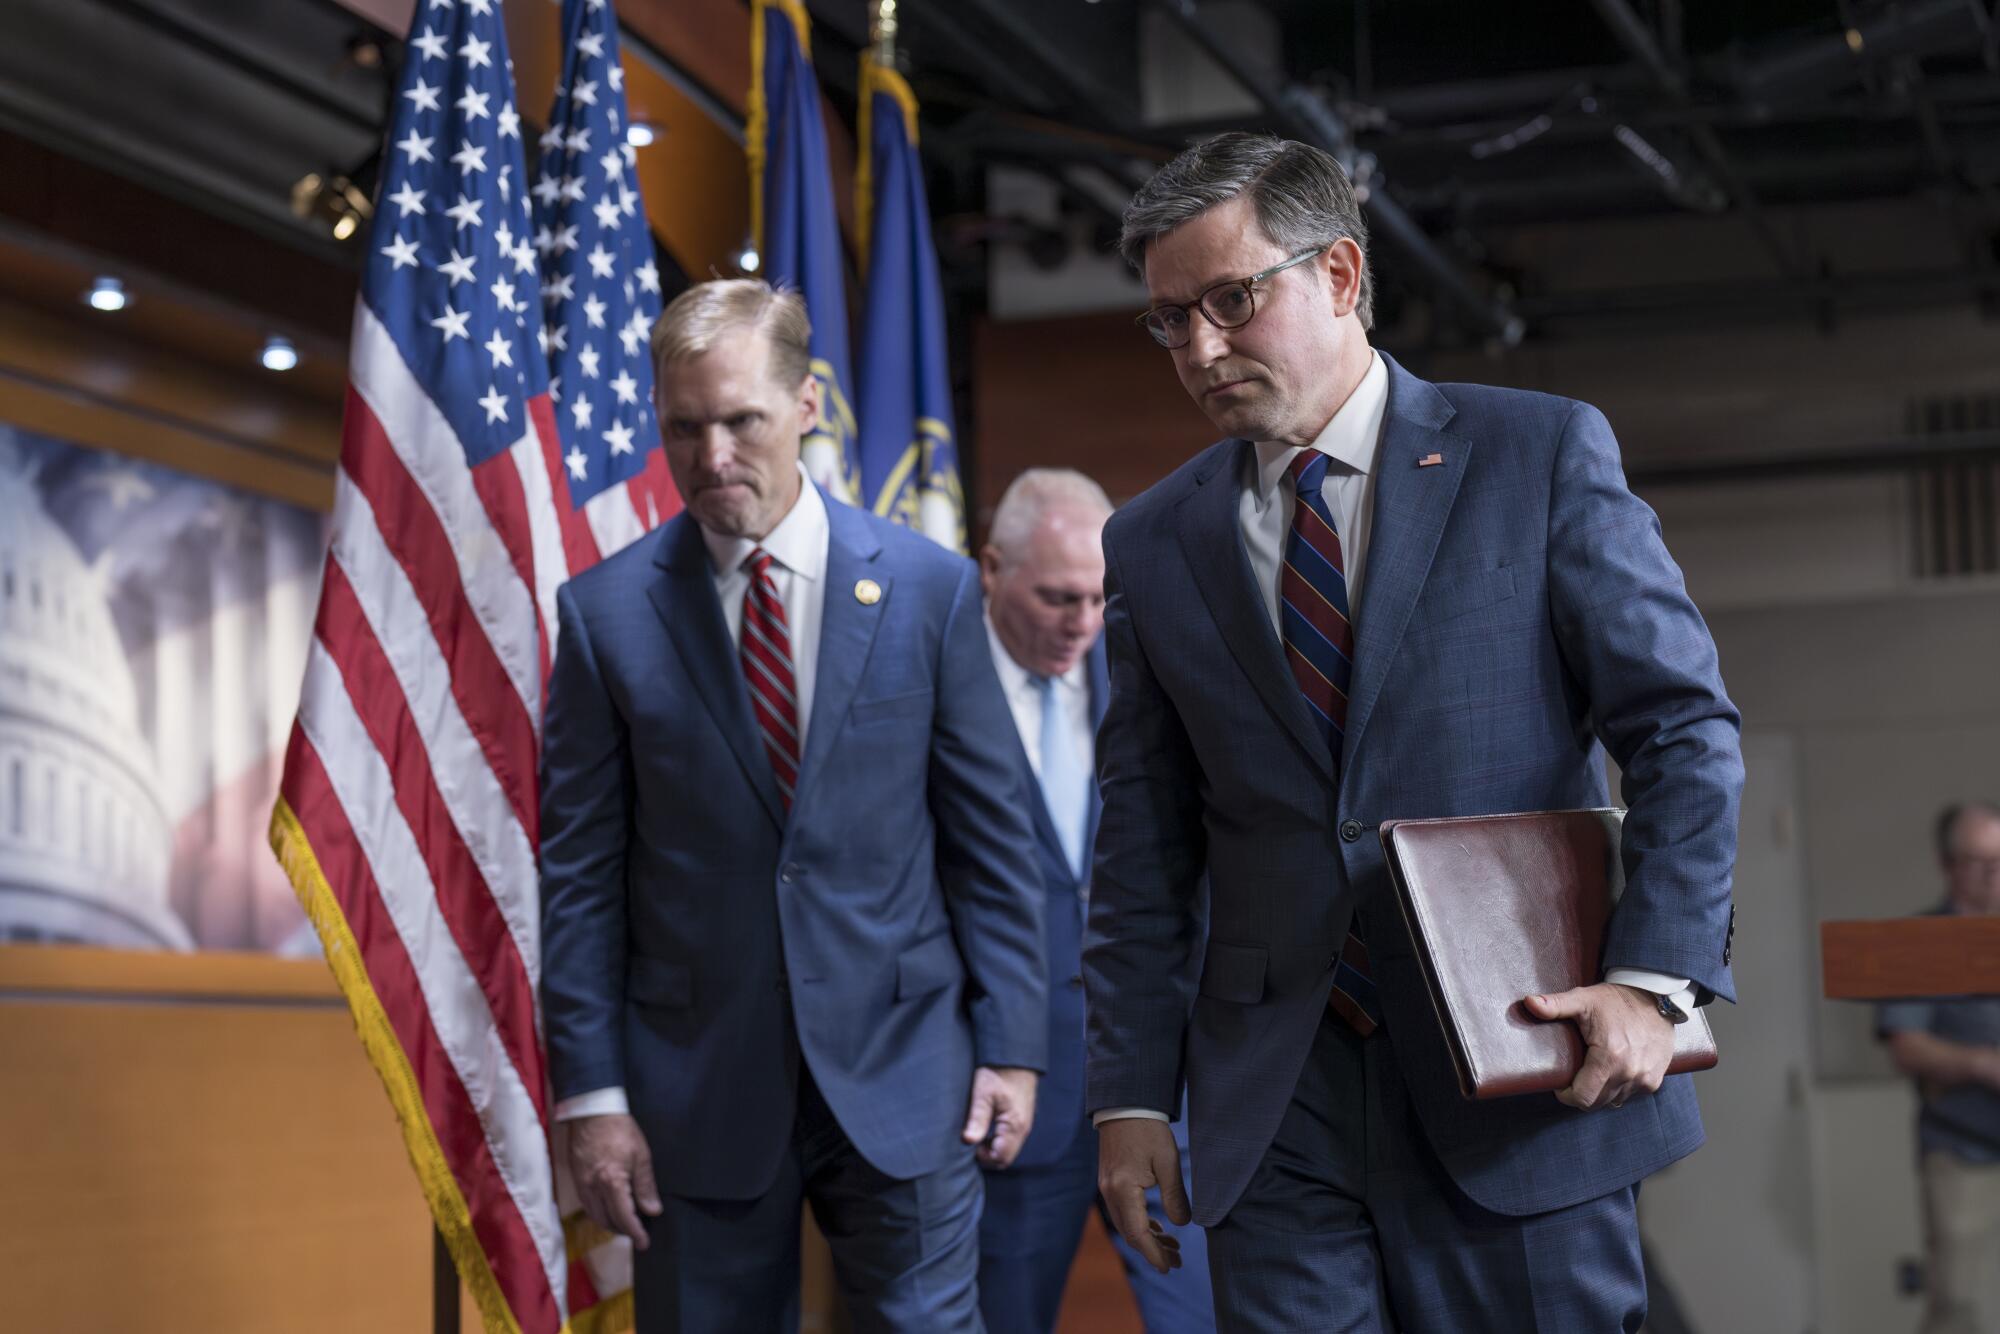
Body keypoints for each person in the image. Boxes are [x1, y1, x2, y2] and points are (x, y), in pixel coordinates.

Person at [1084, 132, 1745, 1331]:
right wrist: (1127, 1092)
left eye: (1230, 300)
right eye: (1170, 320)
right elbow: (1142, 841)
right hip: (1273, 1092)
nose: (1199, 348)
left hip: (1518, 1065)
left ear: (1337, 274)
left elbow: (1682, 728)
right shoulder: (1148, 539)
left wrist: (1652, 983)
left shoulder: (1534, 454)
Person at [538, 278, 1048, 1332]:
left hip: (912, 1073)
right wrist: (591, 1099)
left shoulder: (929, 588)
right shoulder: (603, 617)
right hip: (697, 1088)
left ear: (806, 403)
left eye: (741, 420)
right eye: (684, 427)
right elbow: (579, 879)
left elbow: (990, 841)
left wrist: (1011, 1042)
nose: (712, 455)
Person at [973, 469, 1216, 1333]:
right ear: (991, 568)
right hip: (1008, 1092)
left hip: (1158, 1086)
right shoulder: (939, 689)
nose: (1083, 621)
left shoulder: (1147, 678)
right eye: (1056, 597)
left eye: (1096, 597)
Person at [1877, 802, 2000, 1334]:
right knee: (1956, 1303)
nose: (1992, 875)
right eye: (1978, 862)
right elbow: (1907, 1046)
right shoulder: (1919, 943)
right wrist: (1982, 1064)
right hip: (1962, 1147)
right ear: (1948, 865)